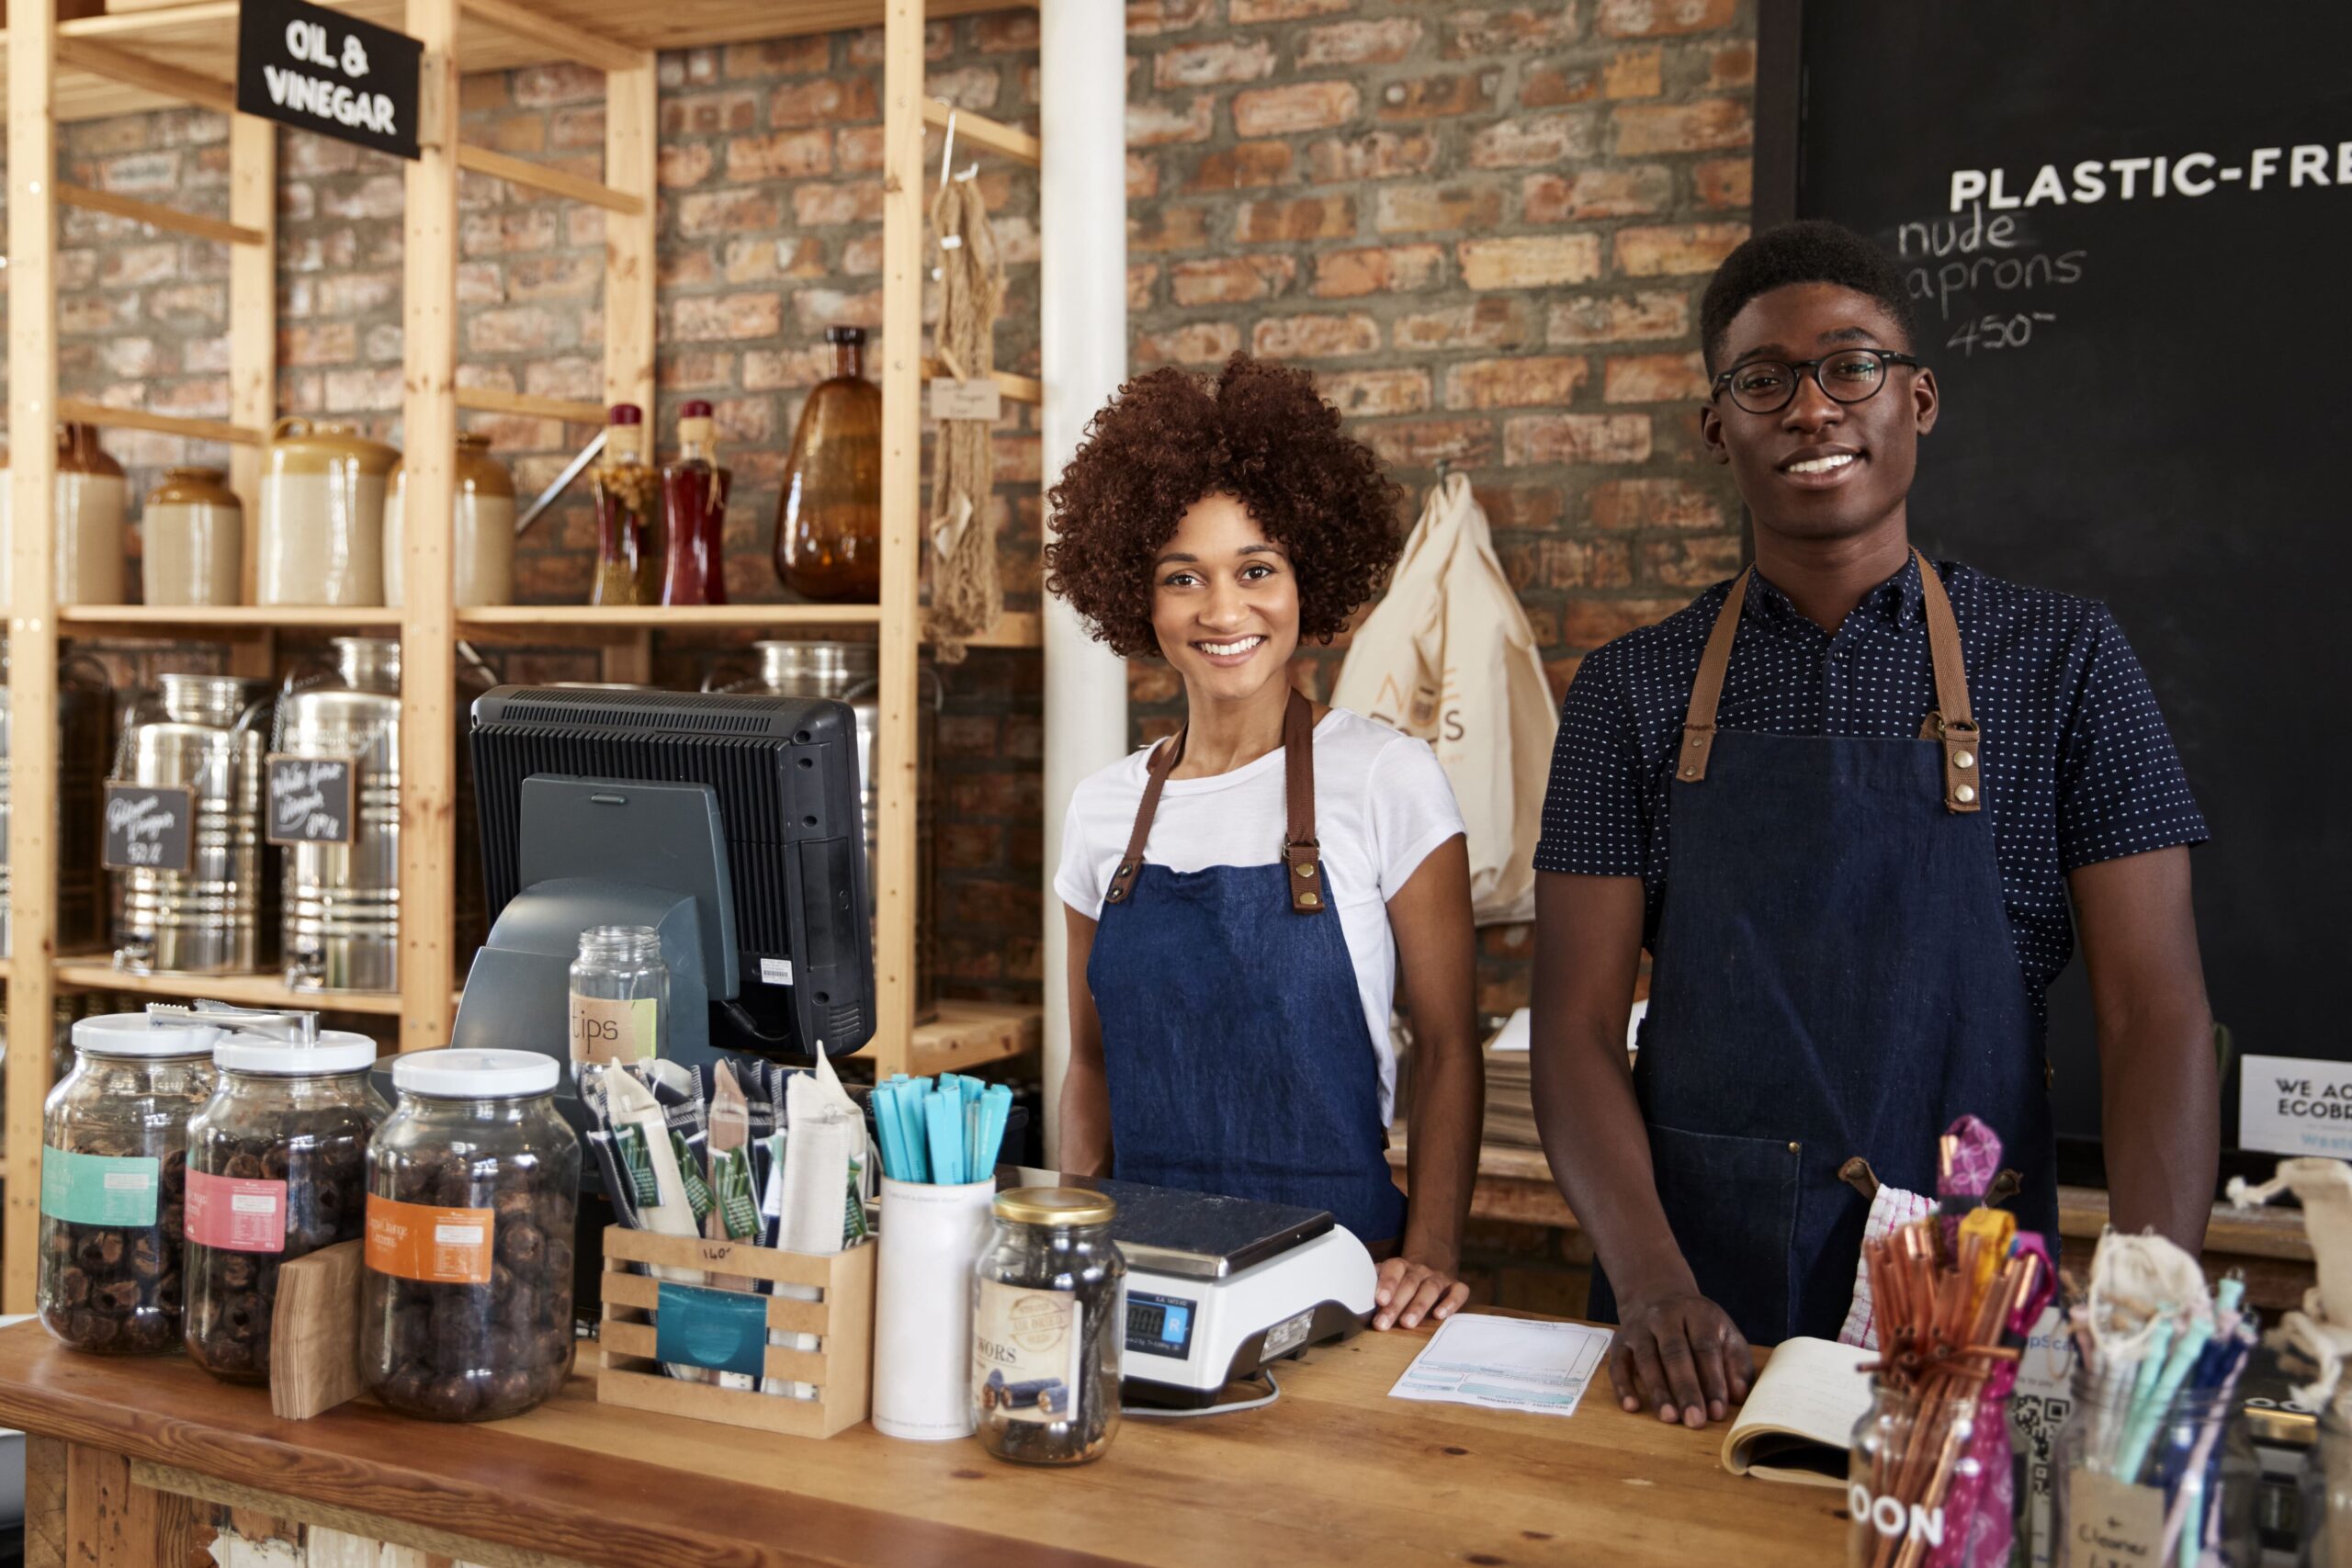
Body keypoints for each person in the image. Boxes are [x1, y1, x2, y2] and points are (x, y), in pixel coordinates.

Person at [1530, 220, 2217, 1425]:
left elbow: (2154, 1010)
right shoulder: (1630, 688)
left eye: (1851, 365)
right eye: (1763, 378)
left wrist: (2146, 1304)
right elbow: (1576, 1024)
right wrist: (1650, 1284)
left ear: (1920, 398)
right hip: (1696, 1320)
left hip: (1965, 1281)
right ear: (1716, 424)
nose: (1811, 407)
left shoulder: (2064, 661)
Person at [1048, 355, 1483, 1332]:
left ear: (1304, 580)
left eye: (1256, 570)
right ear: (1137, 598)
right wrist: (1069, 1238)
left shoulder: (1386, 780)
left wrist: (1434, 1253)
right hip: (1145, 1280)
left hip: (1341, 1283)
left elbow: (1452, 1049)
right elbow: (1091, 1065)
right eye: (1181, 578)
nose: (1223, 611)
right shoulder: (1102, 812)